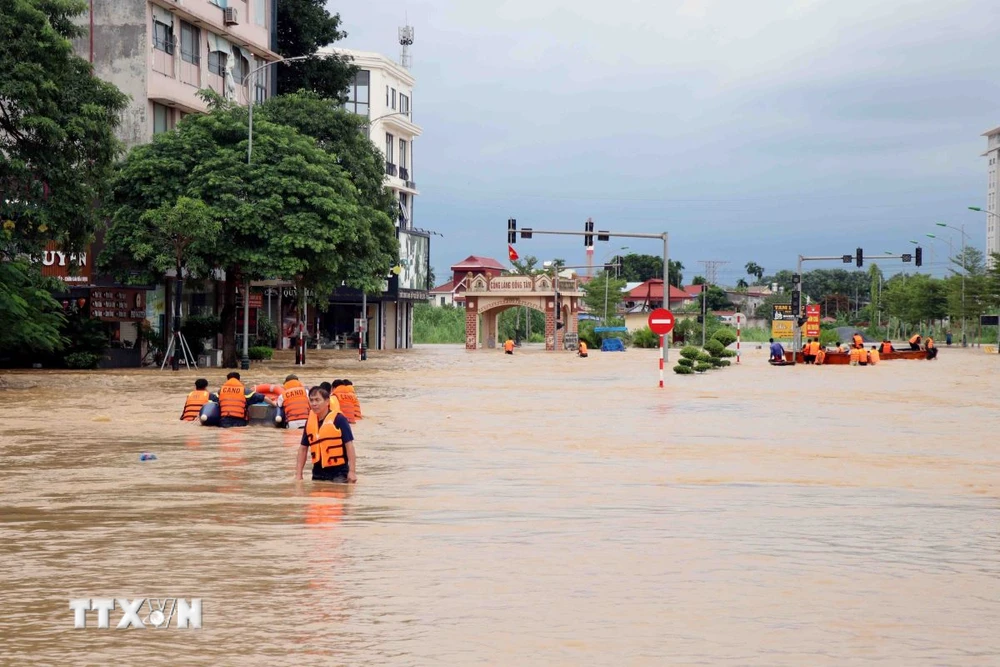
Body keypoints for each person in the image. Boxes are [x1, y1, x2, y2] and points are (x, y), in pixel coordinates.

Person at [296, 386, 356, 484]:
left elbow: (349, 446)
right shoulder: (310, 422)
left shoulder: (339, 419)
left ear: (327, 401)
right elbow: (303, 449)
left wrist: (352, 471)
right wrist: (299, 474)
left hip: (339, 473)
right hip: (318, 473)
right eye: (311, 400)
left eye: (317, 400)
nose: (314, 404)